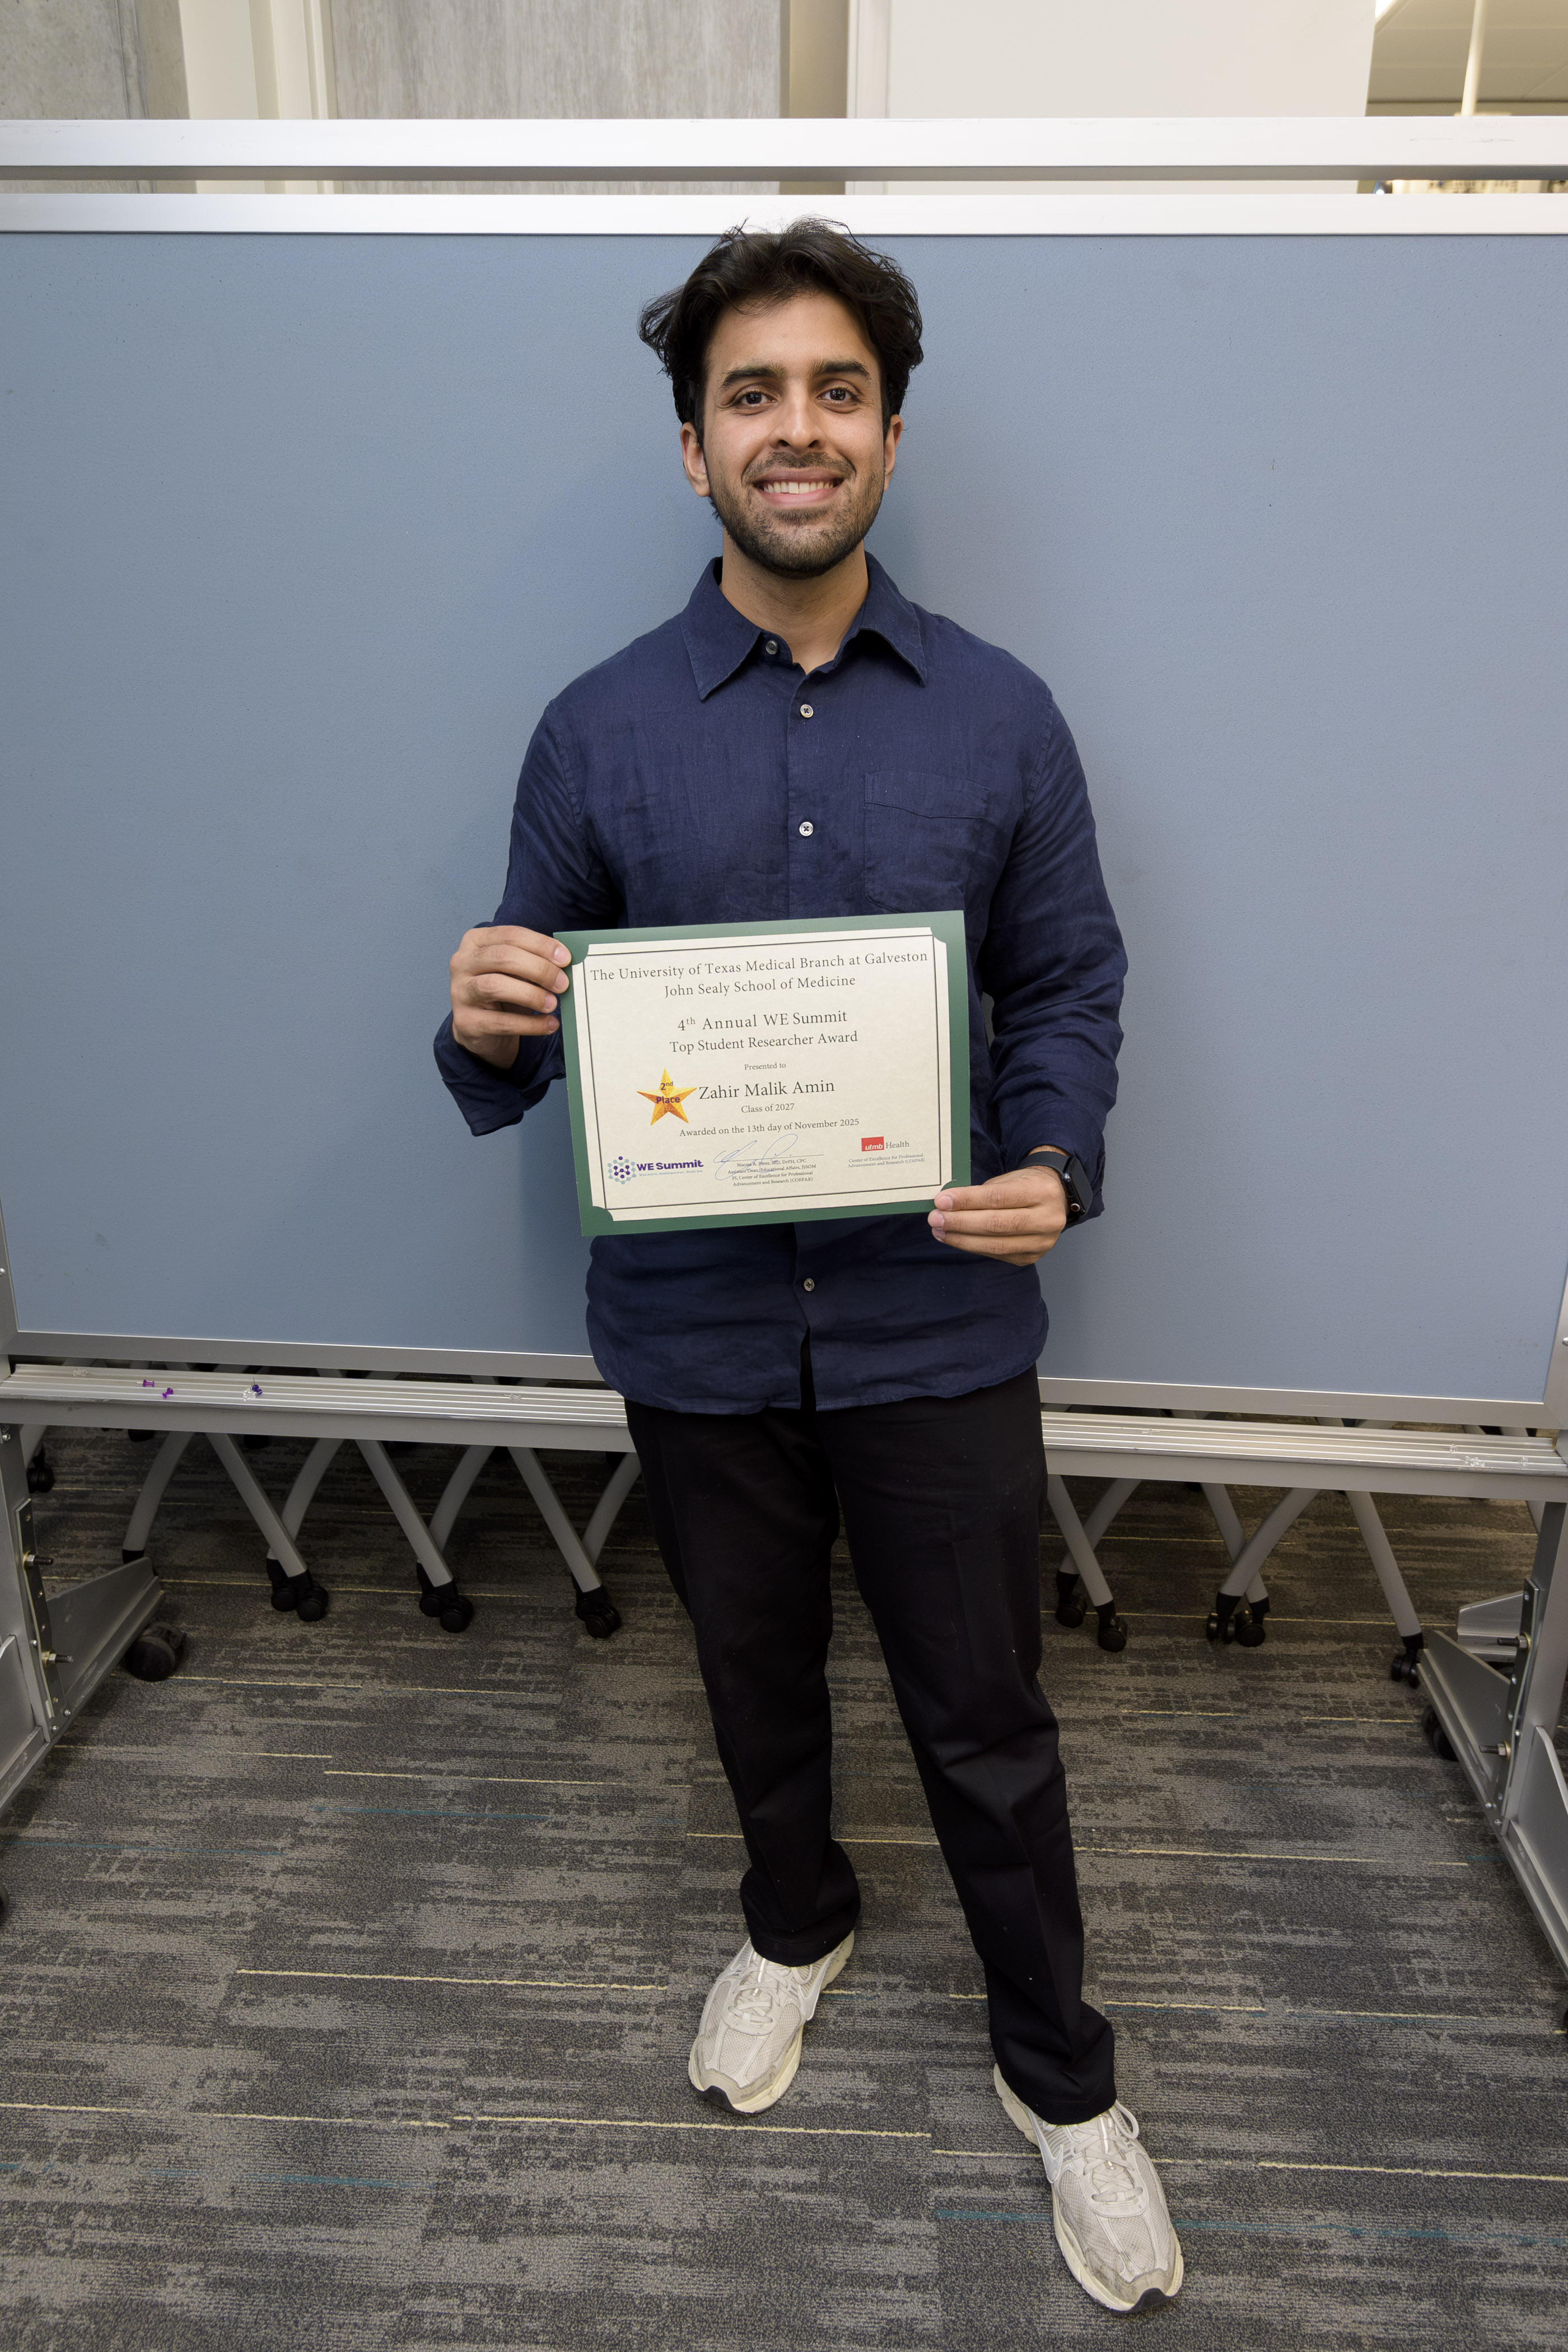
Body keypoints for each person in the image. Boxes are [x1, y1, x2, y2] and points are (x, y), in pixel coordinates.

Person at [436, 220, 1180, 2316]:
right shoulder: (594, 731)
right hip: (694, 1332)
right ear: (695, 450)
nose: (797, 428)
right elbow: (524, 1035)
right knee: (749, 1677)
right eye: (751, 394)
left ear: (889, 434)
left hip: (936, 1317)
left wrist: (1054, 1157)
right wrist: (486, 1020)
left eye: (836, 391)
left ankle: (1064, 2079)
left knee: (988, 1715)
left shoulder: (1005, 719)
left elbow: (1069, 983)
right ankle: (796, 1920)